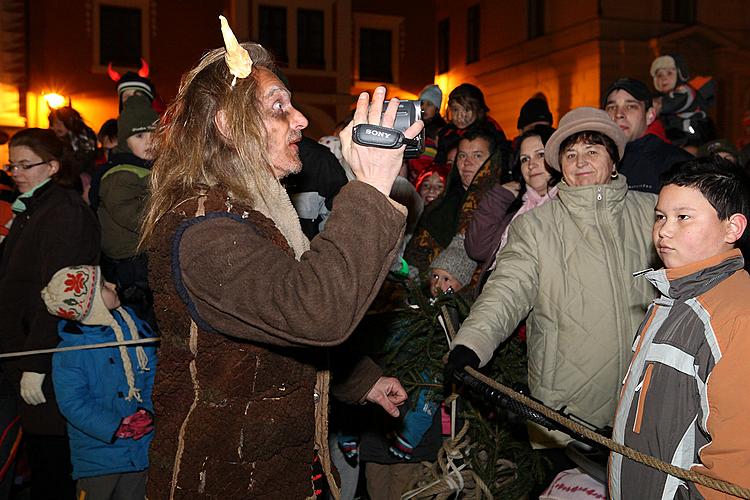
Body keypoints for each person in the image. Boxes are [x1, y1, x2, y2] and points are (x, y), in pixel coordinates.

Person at [137, 22, 417, 498]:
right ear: (228, 127)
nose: (302, 120)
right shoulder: (205, 229)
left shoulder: (256, 212)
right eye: (278, 108)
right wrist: (368, 187)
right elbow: (313, 312)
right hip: (222, 483)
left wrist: (360, 380)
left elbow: (275, 327)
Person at [446, 107, 658, 479]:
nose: (581, 162)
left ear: (613, 160)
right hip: (570, 412)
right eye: (570, 154)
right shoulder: (536, 227)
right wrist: (471, 343)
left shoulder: (653, 213)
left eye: (593, 150)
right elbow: (506, 290)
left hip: (650, 402)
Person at [609, 156, 750, 498]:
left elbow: (736, 463)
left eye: (683, 217)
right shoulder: (670, 298)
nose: (664, 230)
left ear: (732, 228)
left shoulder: (735, 317)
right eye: (660, 216)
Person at [0, 128, 100, 499]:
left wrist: (35, 363)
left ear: (53, 166)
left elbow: (58, 295)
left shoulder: (64, 214)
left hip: (48, 359)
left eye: (26, 165)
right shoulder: (33, 209)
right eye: (12, 166)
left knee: (54, 468)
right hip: (21, 352)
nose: (16, 172)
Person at [41, 265, 157, 500]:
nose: (113, 286)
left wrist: (148, 411)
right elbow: (72, 403)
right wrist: (115, 426)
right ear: (91, 305)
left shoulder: (131, 328)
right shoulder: (71, 351)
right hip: (98, 458)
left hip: (141, 450)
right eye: (104, 285)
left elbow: (151, 371)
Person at [404, 127, 506, 277]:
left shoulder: (503, 203)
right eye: (462, 155)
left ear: (492, 161)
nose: (467, 162)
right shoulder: (439, 205)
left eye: (477, 155)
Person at [466, 125, 560, 279]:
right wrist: (499, 197)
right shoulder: (517, 205)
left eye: (540, 155)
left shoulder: (568, 203)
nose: (531, 165)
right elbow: (477, 249)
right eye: (525, 159)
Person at [97, 95, 159, 325]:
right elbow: (124, 210)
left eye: (155, 134)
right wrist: (158, 222)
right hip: (127, 257)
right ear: (124, 141)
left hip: (139, 250)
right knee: (138, 308)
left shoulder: (144, 167)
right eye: (140, 136)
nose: (149, 141)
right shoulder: (121, 172)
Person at [603, 77, 692, 194]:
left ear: (650, 116)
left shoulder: (676, 164)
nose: (619, 114)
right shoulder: (593, 162)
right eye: (612, 107)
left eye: (630, 106)